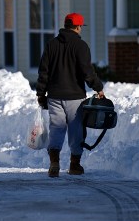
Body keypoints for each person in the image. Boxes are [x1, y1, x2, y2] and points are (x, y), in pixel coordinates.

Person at [36, 12, 105, 178]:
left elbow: (43, 72)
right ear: (78, 26)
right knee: (76, 131)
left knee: (56, 129)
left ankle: (54, 163)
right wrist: (98, 88)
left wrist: (41, 93)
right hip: (75, 97)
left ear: (65, 25)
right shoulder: (81, 46)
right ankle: (75, 165)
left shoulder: (51, 45)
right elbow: (87, 72)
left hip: (54, 96)